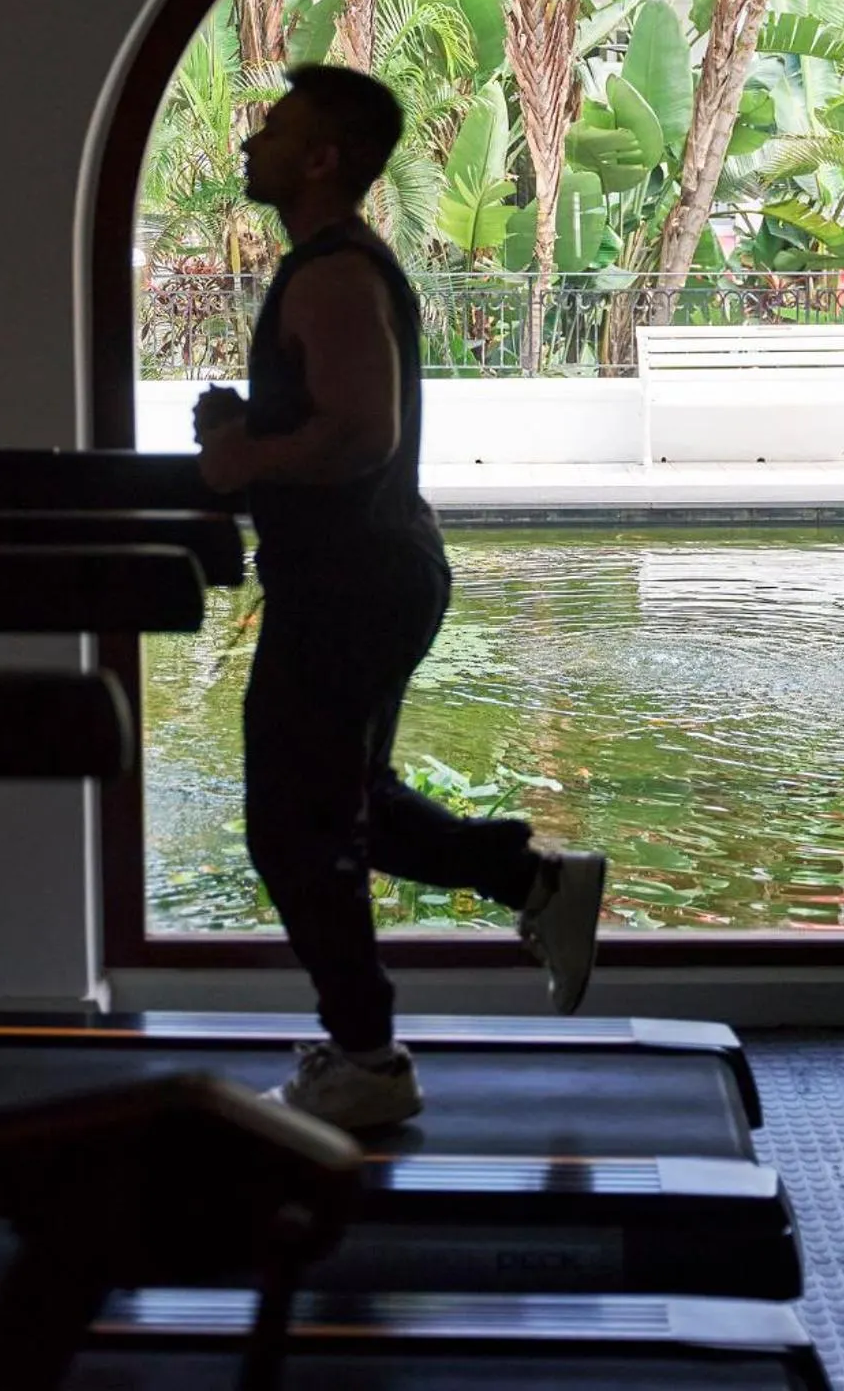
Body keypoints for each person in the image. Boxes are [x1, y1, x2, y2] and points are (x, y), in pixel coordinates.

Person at [195, 63, 606, 1130]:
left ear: (322, 158)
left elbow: (359, 433)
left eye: (274, 129)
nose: (252, 142)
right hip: (364, 576)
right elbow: (333, 422)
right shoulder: (332, 267)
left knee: (291, 829)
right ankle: (535, 884)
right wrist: (248, 433)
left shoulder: (331, 273)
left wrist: (245, 461)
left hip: (354, 583)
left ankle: (367, 1054)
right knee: (346, 806)